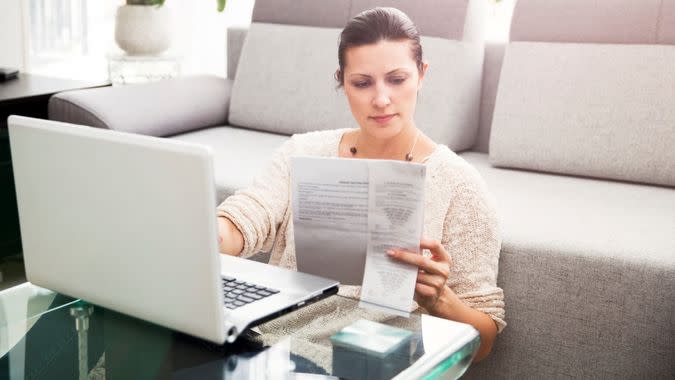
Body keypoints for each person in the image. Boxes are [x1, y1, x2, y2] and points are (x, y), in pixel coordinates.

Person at [216, 7, 504, 362]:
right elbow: (250, 214)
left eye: (397, 79)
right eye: (362, 83)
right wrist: (213, 234)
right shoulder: (304, 151)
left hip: (376, 361)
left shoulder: (459, 184)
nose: (381, 99)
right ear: (342, 80)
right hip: (274, 350)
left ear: (421, 74)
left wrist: (439, 298)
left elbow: (485, 342)